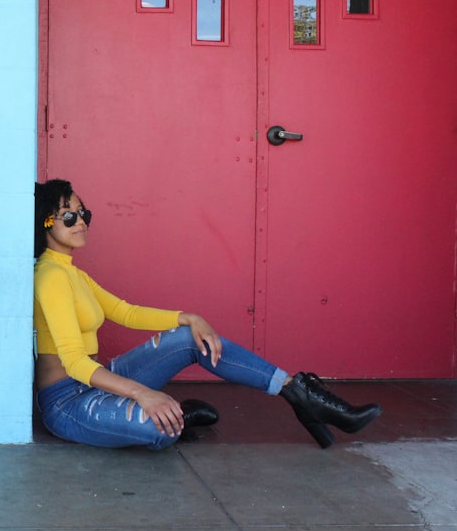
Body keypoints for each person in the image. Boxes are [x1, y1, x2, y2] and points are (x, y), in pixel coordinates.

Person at [33, 178, 381, 450]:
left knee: (189, 339)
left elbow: (125, 312)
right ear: (46, 222)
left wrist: (188, 317)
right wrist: (141, 393)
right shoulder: (50, 277)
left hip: (97, 384)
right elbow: (74, 361)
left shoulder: (73, 273)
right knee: (157, 428)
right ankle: (176, 418)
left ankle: (298, 394)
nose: (80, 221)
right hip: (68, 402)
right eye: (68, 215)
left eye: (83, 213)